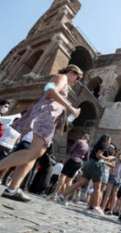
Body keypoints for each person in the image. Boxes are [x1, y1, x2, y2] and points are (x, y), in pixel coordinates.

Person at [0, 64, 82, 202]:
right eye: (77, 76)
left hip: (48, 118)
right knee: (35, 152)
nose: (77, 80)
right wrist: (70, 107)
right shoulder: (61, 77)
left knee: (33, 156)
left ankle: (12, 188)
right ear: (71, 72)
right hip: (45, 117)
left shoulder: (64, 83)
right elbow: (50, 91)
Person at [61, 135, 114, 214]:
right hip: (96, 165)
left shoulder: (98, 144)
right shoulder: (103, 145)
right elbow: (98, 155)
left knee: (80, 182)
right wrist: (107, 158)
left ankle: (62, 195)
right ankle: (96, 206)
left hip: (89, 163)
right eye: (110, 140)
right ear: (107, 140)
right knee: (97, 187)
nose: (110, 142)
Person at [53, 134, 90, 200]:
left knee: (63, 177)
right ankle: (65, 197)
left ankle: (55, 194)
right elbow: (86, 159)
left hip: (72, 159)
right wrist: (82, 156)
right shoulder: (87, 146)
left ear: (83, 137)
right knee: (70, 180)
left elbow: (71, 149)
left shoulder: (79, 141)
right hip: (79, 163)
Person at [101, 149, 121, 214]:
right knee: (114, 195)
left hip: (113, 176)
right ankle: (111, 210)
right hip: (119, 179)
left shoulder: (116, 159)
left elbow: (110, 162)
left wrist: (104, 161)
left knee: (107, 194)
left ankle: (102, 208)